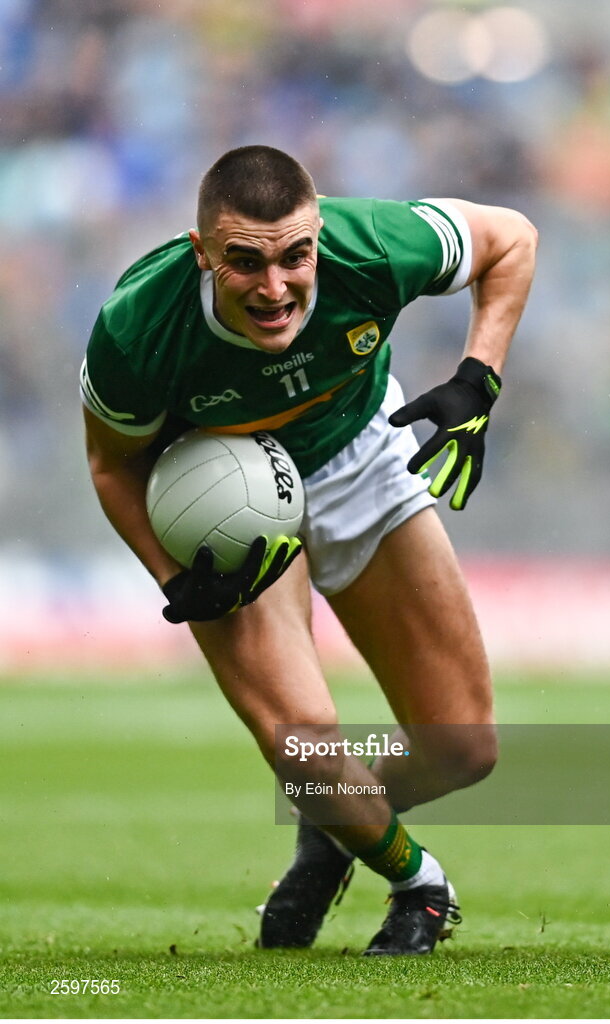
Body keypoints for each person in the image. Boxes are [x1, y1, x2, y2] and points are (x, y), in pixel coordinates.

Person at [81, 145, 537, 955]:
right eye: (245, 263)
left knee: (461, 747)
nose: (276, 286)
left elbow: (512, 239)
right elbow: (112, 464)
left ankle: (332, 830)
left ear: (320, 234)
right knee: (302, 744)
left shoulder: (371, 245)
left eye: (296, 256)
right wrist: (174, 574)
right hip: (225, 501)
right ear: (201, 254)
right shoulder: (138, 326)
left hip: (363, 452)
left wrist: (478, 379)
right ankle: (419, 883)